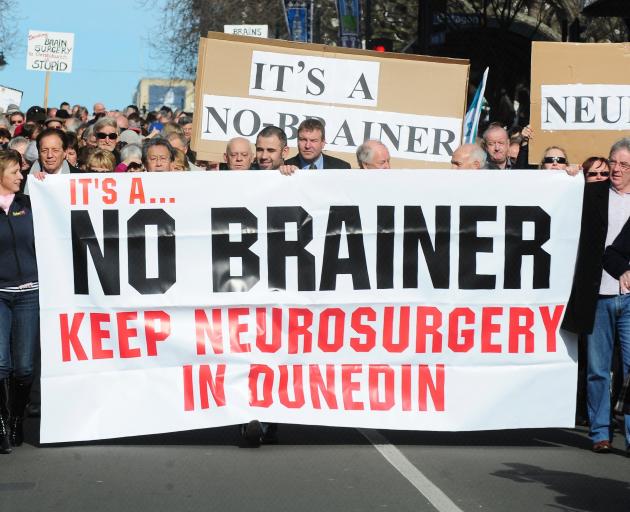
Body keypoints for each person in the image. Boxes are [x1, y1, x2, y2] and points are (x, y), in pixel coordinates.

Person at [562, 137, 630, 455]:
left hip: (629, 298)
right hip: (598, 293)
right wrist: (568, 174)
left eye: (623, 165)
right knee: (598, 369)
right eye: (613, 162)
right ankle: (600, 431)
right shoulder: (592, 193)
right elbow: (554, 197)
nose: (615, 169)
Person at [0, 149, 39, 454]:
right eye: (14, 171)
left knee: (24, 368)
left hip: (29, 293)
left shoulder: (29, 203)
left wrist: (47, 186)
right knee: (1, 364)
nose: (20, 176)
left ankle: (16, 417)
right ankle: (1, 423)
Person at [283, 119, 351, 171]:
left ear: (323, 143)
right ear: (297, 141)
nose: (307, 146)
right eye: (303, 140)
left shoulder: (342, 168)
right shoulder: (284, 167)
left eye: (313, 141)